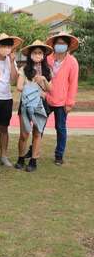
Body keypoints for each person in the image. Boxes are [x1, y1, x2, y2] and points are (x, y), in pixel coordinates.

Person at [14, 40, 53, 172]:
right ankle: (20, 158)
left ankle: (33, 161)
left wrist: (43, 79)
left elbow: (50, 89)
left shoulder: (48, 70)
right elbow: (19, 87)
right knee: (24, 134)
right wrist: (34, 89)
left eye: (40, 53)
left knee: (37, 133)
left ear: (43, 55)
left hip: (41, 105)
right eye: (35, 52)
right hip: (25, 104)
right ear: (30, 55)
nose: (37, 55)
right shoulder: (24, 70)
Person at [45, 32, 80, 165]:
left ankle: (59, 155)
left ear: (68, 46)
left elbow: (73, 83)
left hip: (62, 101)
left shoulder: (72, 62)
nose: (60, 46)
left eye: (63, 43)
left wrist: (70, 102)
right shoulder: (47, 59)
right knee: (39, 126)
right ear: (53, 45)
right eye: (58, 43)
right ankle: (33, 151)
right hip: (47, 99)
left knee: (60, 128)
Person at [0, 33, 23, 167]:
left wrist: (11, 61)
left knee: (3, 128)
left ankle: (3, 156)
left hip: (6, 98)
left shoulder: (11, 60)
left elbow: (14, 80)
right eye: (4, 45)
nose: (6, 49)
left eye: (9, 46)